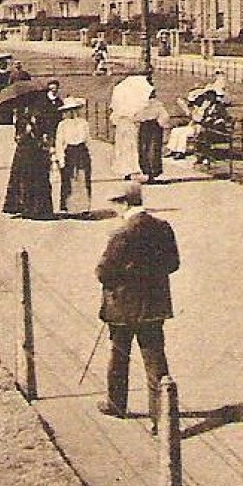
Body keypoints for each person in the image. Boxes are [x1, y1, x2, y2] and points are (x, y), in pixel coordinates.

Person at [95, 181, 180, 428]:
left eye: (115, 204)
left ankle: (116, 404)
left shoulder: (121, 234)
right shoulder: (163, 227)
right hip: (154, 304)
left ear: (124, 203)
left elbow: (103, 272)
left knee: (119, 355)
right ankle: (161, 417)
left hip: (122, 307)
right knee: (155, 359)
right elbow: (173, 264)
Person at [1, 95, 57, 219]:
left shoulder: (41, 117)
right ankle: (26, 208)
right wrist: (26, 132)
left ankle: (40, 209)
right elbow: (17, 138)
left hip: (38, 152)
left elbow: (47, 133)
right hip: (24, 152)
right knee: (24, 179)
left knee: (39, 180)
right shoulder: (21, 119)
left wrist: (43, 137)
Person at [110, 72, 153, 179]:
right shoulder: (136, 103)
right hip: (130, 124)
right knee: (132, 146)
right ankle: (134, 169)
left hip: (122, 124)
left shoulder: (120, 96)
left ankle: (126, 170)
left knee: (123, 147)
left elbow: (114, 113)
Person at [54, 96, 92, 216]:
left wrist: (89, 154)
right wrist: (60, 158)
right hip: (69, 152)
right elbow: (59, 142)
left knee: (82, 178)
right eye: (68, 111)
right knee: (68, 180)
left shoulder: (83, 123)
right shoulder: (62, 125)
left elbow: (88, 140)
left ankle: (83, 207)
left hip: (81, 151)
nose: (71, 113)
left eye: (74, 110)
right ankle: (69, 207)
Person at [134, 85, 173, 184]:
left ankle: (149, 172)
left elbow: (136, 117)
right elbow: (165, 117)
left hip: (148, 127)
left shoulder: (144, 104)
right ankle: (150, 173)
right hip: (151, 127)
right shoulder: (153, 104)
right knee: (149, 149)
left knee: (148, 149)